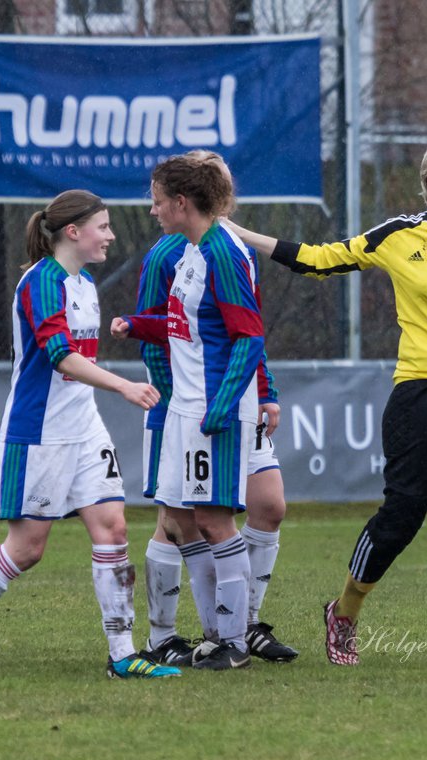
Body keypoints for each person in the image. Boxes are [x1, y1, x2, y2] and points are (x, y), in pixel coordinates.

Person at [226, 137, 427, 668]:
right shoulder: (398, 235)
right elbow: (317, 260)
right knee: (401, 517)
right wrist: (237, 231)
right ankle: (344, 614)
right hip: (419, 395)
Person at [0, 189, 178, 682]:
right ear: (73, 232)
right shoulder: (41, 282)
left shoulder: (85, 284)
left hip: (84, 428)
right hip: (39, 432)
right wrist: (123, 385)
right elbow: (60, 355)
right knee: (27, 549)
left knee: (113, 529)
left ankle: (122, 654)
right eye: (102, 226)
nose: (111, 235)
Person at [127, 154, 296, 667]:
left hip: (211, 409)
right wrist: (136, 326)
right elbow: (184, 329)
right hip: (185, 408)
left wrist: (229, 402)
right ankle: (203, 635)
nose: (152, 209)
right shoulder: (186, 254)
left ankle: (234, 639)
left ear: (182, 201)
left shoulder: (223, 251)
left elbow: (247, 333)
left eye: (157, 200)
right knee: (185, 520)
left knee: (218, 520)